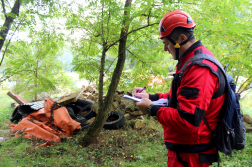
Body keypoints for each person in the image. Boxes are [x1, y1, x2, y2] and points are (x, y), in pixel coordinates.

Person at [132, 10, 226, 167]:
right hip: (184, 151)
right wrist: (151, 97)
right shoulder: (189, 59)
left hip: (191, 156)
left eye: (167, 44)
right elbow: (181, 97)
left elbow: (187, 120)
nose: (165, 49)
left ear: (182, 39)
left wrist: (151, 109)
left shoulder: (199, 69)